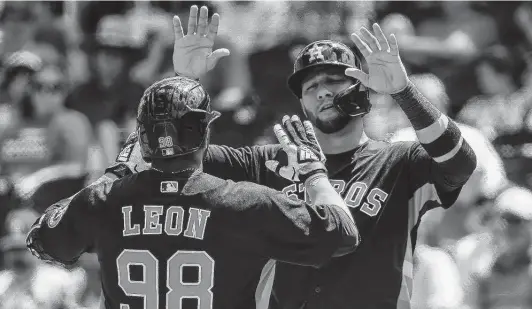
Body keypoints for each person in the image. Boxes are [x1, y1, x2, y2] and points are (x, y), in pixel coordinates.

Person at [43, 6, 476, 309]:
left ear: (362, 88)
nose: (323, 90)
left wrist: (403, 91)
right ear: (302, 103)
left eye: (335, 80)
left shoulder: (401, 162)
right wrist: (183, 80)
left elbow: (459, 163)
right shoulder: (263, 163)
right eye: (311, 86)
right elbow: (166, 145)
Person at [26, 76, 361, 309]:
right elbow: (344, 234)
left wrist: (115, 173)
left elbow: (42, 239)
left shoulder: (104, 201)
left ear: (141, 137)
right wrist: (315, 174)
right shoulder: (244, 201)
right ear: (204, 131)